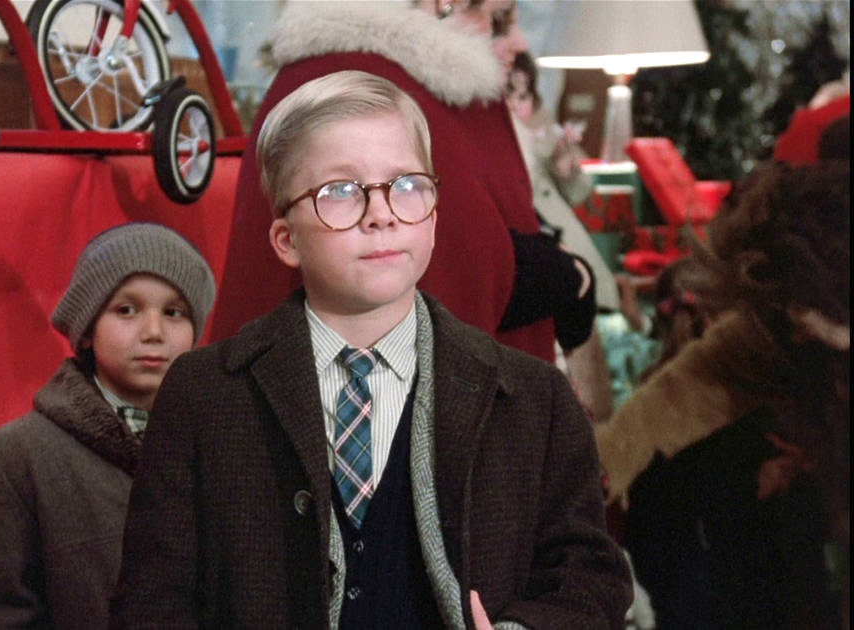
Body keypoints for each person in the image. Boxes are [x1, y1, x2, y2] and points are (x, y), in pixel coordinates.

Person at [111, 70, 631, 630]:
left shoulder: (535, 398)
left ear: (433, 216)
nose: (381, 214)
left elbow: (589, 574)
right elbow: (152, 602)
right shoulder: (204, 394)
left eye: (405, 185)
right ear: (286, 239)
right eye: (340, 191)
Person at [207, 0, 595, 363]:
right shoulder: (379, 83)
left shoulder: (365, 73)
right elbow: (457, 268)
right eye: (498, 20)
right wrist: (560, 273)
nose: (520, 43)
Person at [595, 160, 849, 628]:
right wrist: (599, 467)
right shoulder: (774, 329)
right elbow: (682, 390)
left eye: (804, 313)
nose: (797, 328)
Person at [0, 222, 216, 629]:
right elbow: (6, 613)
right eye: (126, 310)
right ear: (87, 331)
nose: (154, 332)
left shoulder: (226, 447)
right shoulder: (14, 460)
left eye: (174, 313)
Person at [505, 50, 618, 422]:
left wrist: (565, 167)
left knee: (583, 350)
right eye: (509, 94)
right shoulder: (497, 145)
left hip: (560, 250)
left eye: (523, 96)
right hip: (532, 261)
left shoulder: (542, 139)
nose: (516, 104)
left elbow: (580, 192)